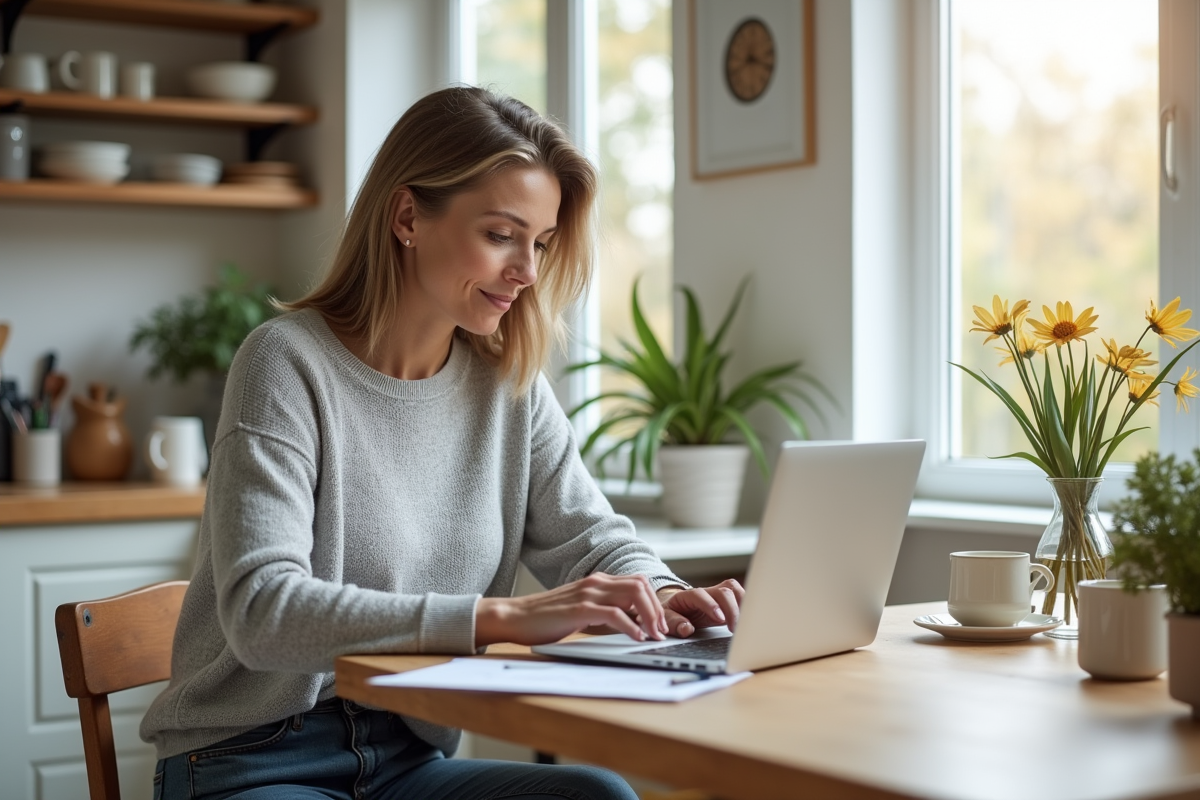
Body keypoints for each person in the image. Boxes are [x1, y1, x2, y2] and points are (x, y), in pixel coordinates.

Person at [141, 86, 745, 800]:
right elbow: (261, 612)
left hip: (406, 752)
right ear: (407, 218)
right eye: (501, 235)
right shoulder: (284, 363)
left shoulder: (507, 384)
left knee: (598, 795)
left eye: (540, 243)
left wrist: (668, 595)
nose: (527, 270)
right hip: (250, 759)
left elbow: (593, 540)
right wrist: (505, 618)